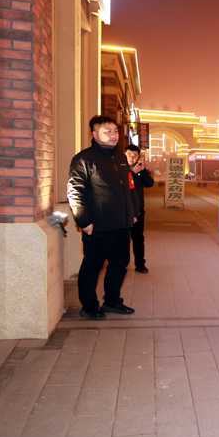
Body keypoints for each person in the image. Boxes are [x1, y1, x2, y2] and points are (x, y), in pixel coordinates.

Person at [67, 115, 137, 319]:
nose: (114, 135)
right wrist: (84, 221)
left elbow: (128, 188)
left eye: (115, 131)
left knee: (120, 264)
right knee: (92, 267)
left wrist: (132, 213)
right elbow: (75, 192)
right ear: (95, 134)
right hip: (96, 226)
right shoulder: (83, 159)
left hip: (121, 224)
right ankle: (89, 307)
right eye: (108, 132)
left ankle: (112, 302)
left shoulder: (120, 158)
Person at [125, 144, 155, 273]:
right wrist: (132, 172)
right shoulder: (120, 170)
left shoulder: (140, 170)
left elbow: (150, 183)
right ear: (124, 155)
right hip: (124, 212)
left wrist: (142, 171)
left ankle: (140, 265)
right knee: (124, 240)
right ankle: (123, 264)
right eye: (129, 155)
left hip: (138, 211)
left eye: (135, 155)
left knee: (138, 238)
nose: (132, 158)